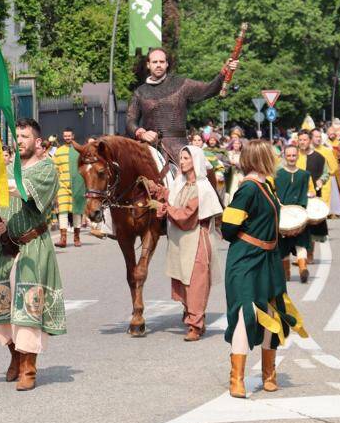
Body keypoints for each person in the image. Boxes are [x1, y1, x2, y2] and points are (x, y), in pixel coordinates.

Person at [0, 118, 64, 392]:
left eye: (25, 136)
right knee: (0, 305)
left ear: (38, 142)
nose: (20, 140)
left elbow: (25, 191)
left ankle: (29, 366)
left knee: (28, 306)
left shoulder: (47, 168)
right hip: (5, 246)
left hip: (32, 245)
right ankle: (14, 355)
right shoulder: (4, 169)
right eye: (18, 136)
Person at [221, 140, 307, 398]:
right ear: (261, 160)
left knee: (273, 313)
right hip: (246, 260)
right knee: (246, 313)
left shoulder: (266, 186)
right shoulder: (247, 189)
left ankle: (269, 374)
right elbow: (227, 229)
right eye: (272, 156)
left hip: (268, 258)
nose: (276, 159)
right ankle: (236, 379)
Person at [150, 145, 223, 341]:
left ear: (195, 162)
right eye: (181, 158)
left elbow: (187, 216)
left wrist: (166, 208)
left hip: (196, 238)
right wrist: (156, 189)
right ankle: (194, 316)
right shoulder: (180, 182)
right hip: (181, 240)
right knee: (183, 279)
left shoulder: (203, 188)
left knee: (196, 283)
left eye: (185, 158)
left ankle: (195, 325)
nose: (181, 161)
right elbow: (173, 196)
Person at [127, 47, 238, 157]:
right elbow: (130, 120)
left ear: (167, 64)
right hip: (150, 150)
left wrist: (224, 72)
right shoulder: (140, 92)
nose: (158, 65)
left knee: (196, 171)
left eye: (162, 61)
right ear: (148, 65)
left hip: (178, 149)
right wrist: (141, 133)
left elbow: (209, 89)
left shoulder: (182, 85)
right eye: (155, 62)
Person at [274, 145, 315, 283]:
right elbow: (273, 192)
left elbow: (311, 191)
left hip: (299, 214)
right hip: (283, 214)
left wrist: (311, 196)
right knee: (283, 246)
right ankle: (286, 272)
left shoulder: (305, 175)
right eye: (289, 155)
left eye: (294, 155)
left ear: (298, 156)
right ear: (284, 156)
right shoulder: (277, 174)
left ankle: (303, 269)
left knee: (301, 243)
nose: (291, 158)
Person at [52, 128, 86, 248]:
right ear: (63, 136)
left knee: (77, 211)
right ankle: (63, 239)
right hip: (62, 186)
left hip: (77, 185)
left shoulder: (79, 150)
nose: (67, 138)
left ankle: (77, 238)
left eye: (69, 135)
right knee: (63, 211)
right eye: (65, 136)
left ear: (73, 136)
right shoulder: (58, 151)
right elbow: (54, 170)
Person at [295, 131, 330, 245]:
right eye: (300, 140)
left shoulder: (319, 157)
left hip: (312, 194)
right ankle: (301, 254)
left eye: (305, 140)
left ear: (310, 141)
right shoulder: (293, 155)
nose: (302, 142)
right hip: (295, 194)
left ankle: (309, 253)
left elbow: (326, 173)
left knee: (311, 226)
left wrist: (321, 180)